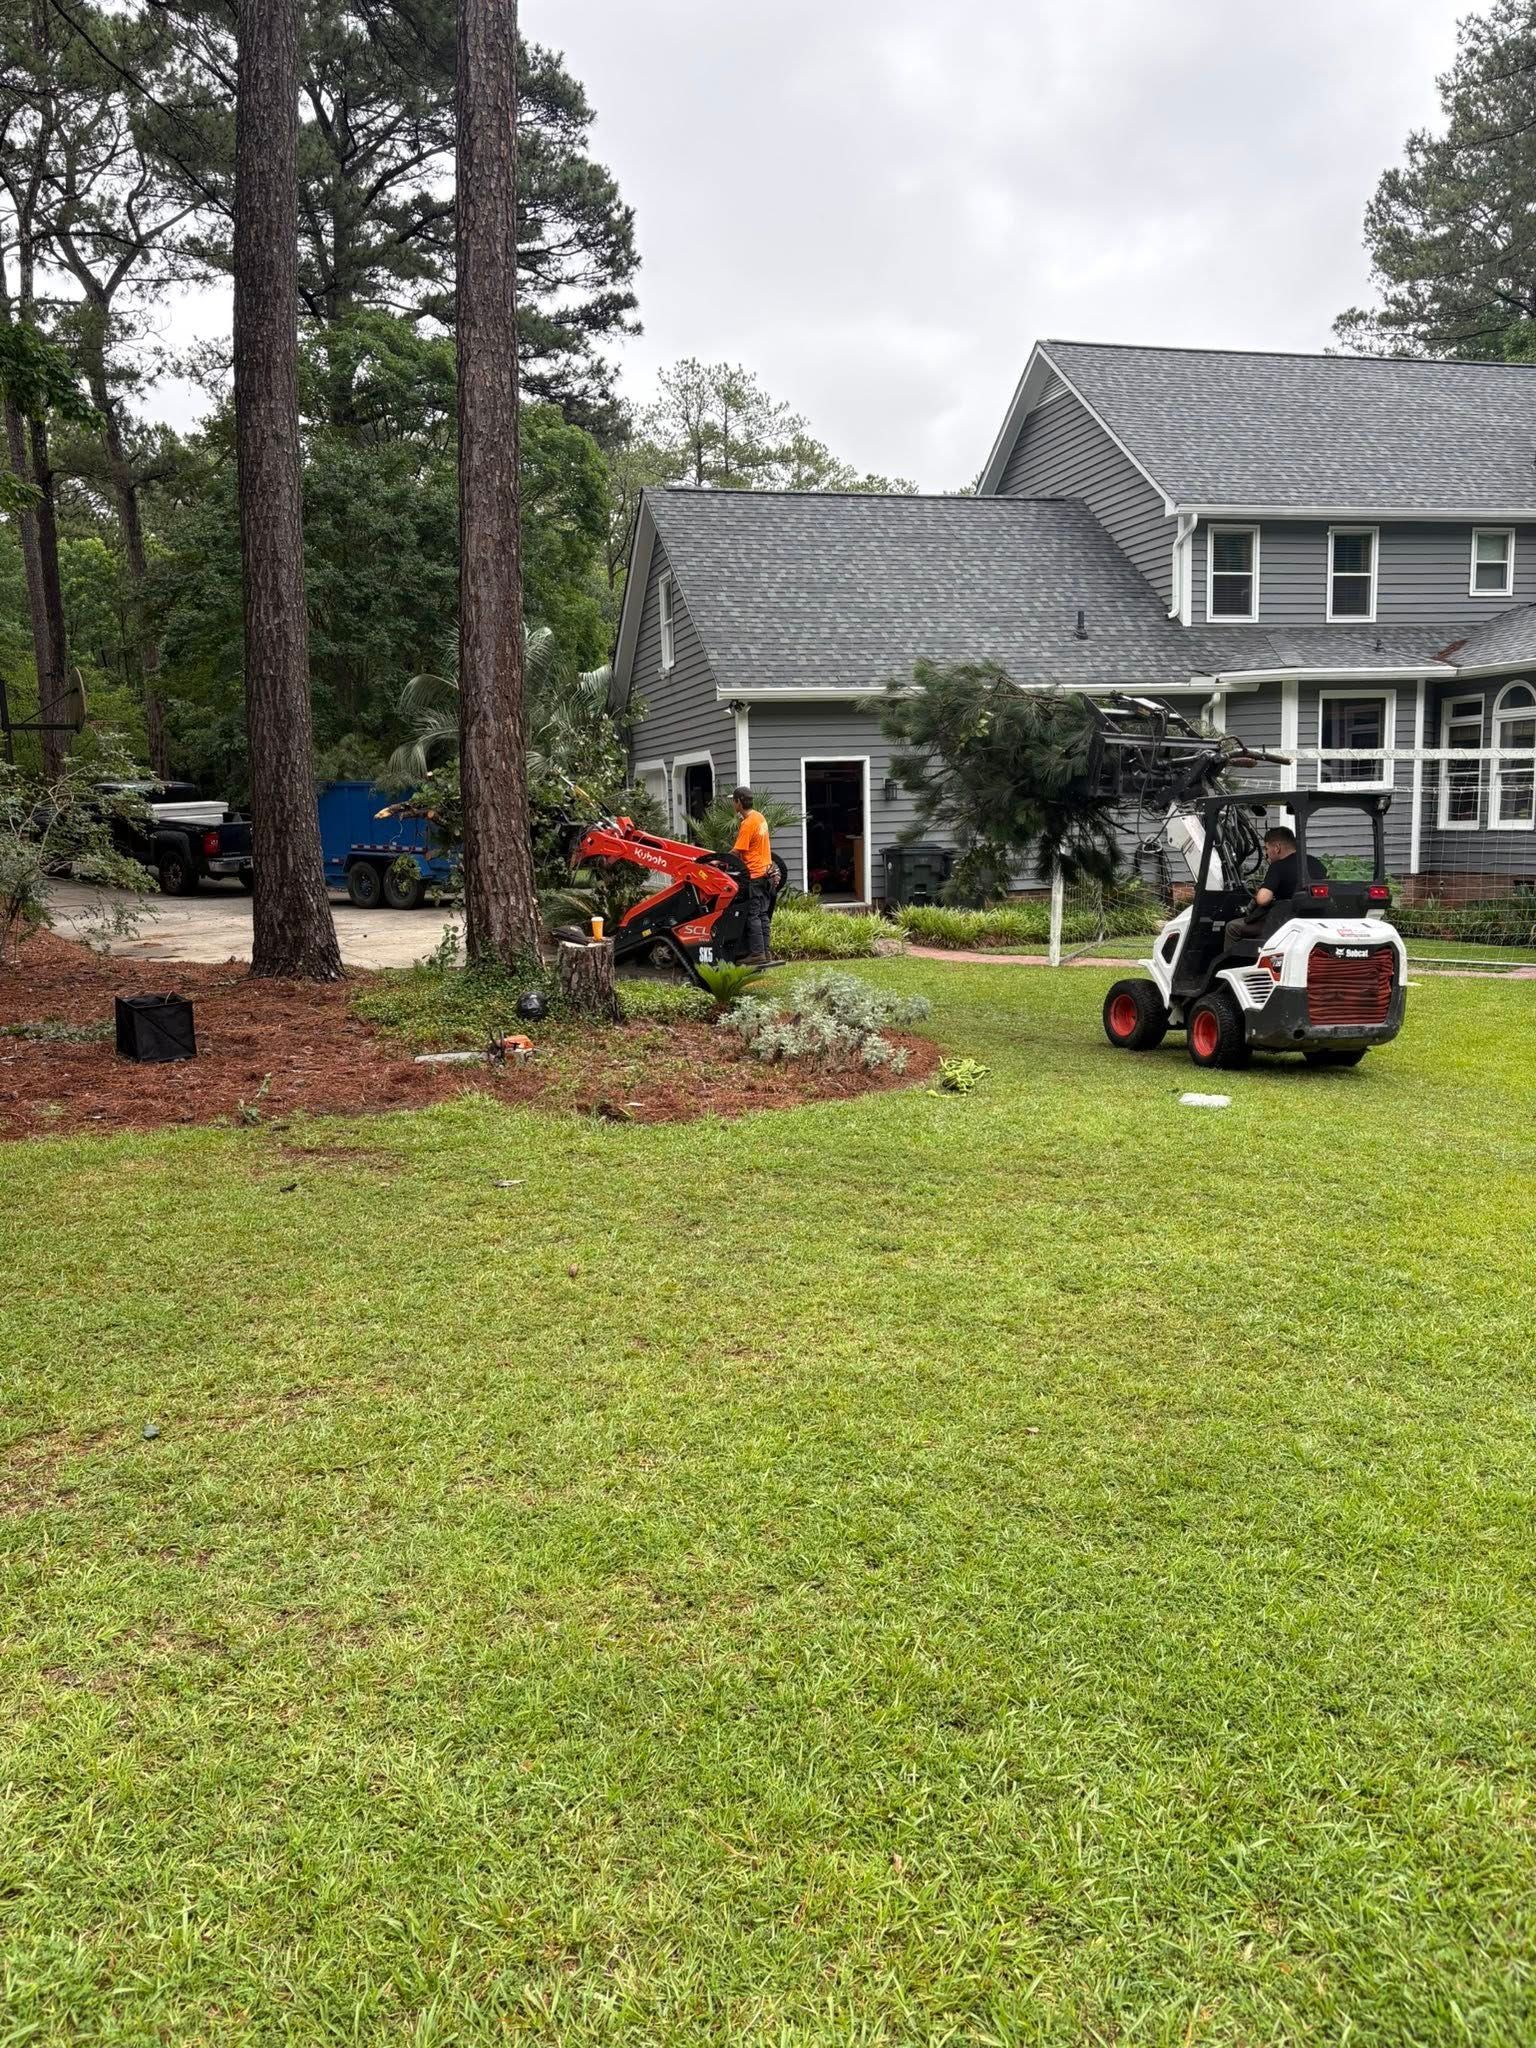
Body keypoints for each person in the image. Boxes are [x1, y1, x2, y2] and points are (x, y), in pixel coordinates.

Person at [1224, 825, 1327, 948]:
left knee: (1232, 927)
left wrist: (1260, 892)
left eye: (1267, 848)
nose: (1266, 854)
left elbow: (1263, 899)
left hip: (1282, 924)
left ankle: (1233, 964)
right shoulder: (1316, 863)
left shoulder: (1278, 866)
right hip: (1311, 923)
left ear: (1277, 848)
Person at [730, 784, 775, 963]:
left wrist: (717, 859)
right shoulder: (759, 817)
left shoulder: (747, 824)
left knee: (752, 915)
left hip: (754, 875)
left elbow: (737, 851)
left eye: (734, 801)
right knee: (763, 914)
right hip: (766, 873)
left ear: (739, 802)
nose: (734, 805)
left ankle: (757, 954)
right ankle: (766, 951)